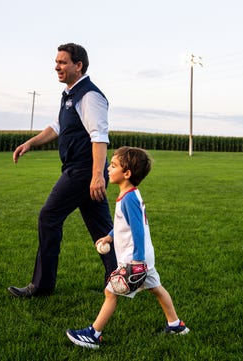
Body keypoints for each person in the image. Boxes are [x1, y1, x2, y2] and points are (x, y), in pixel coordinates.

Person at [8, 43, 118, 298]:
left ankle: (42, 285)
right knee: (102, 229)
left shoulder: (90, 96)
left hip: (82, 171)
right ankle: (119, 279)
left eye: (62, 62)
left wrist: (96, 176)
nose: (56, 66)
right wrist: (30, 143)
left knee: (49, 216)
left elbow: (99, 136)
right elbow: (57, 127)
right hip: (81, 171)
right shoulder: (70, 95)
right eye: (56, 62)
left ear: (78, 65)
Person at [66, 146, 189, 349]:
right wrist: (109, 237)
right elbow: (125, 224)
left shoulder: (129, 198)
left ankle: (93, 334)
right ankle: (176, 325)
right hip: (143, 258)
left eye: (113, 165)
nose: (108, 168)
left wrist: (137, 260)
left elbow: (138, 230)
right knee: (157, 289)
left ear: (127, 173)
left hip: (135, 259)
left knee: (110, 293)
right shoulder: (129, 194)